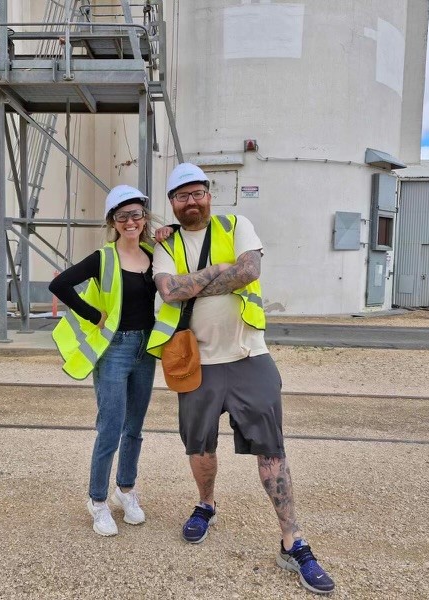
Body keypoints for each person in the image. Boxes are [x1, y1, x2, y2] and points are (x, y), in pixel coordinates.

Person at [147, 163, 335, 595]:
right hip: (197, 364)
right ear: (172, 204)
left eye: (197, 193)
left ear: (209, 195)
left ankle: (293, 541)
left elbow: (248, 271)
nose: (191, 201)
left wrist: (196, 280)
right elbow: (169, 291)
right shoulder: (168, 242)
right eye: (181, 196)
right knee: (199, 445)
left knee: (271, 450)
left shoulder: (237, 224)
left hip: (251, 357)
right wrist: (220, 274)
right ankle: (206, 505)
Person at [49, 184, 157, 537]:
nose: (130, 222)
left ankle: (125, 490)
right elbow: (61, 285)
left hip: (146, 350)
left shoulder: (155, 254)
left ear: (144, 218)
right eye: (122, 216)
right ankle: (97, 501)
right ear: (113, 221)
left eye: (136, 215)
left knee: (135, 427)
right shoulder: (103, 257)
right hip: (115, 350)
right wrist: (92, 313)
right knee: (110, 426)